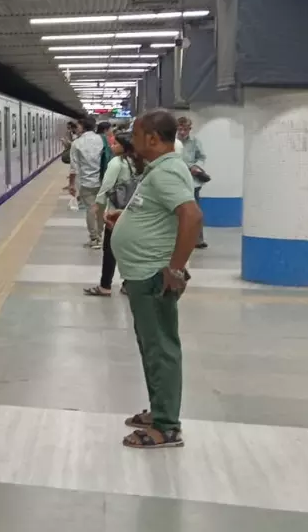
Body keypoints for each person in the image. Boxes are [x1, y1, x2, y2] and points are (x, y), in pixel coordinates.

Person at [107, 109, 202, 449]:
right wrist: (129, 219)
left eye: (135, 132)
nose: (130, 138)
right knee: (152, 345)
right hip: (143, 273)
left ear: (152, 138)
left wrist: (175, 268)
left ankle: (166, 427)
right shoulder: (163, 169)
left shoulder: (166, 172)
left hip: (152, 275)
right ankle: (159, 410)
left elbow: (191, 216)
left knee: (160, 348)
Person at [84, 131, 141, 297]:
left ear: (124, 147)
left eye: (115, 143)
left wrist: (97, 206)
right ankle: (128, 284)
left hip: (115, 212)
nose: (111, 145)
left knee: (109, 250)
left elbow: (107, 186)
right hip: (132, 211)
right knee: (130, 250)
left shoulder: (117, 162)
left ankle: (105, 286)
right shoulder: (138, 161)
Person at [70, 116, 105, 248]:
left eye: (78, 126)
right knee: (100, 209)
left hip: (86, 182)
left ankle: (94, 238)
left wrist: (71, 184)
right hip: (103, 181)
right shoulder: (101, 139)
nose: (77, 129)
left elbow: (74, 168)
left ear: (83, 127)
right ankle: (100, 236)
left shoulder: (77, 143)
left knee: (90, 209)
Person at [176, 117, 209, 249]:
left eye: (185, 129)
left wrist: (196, 166)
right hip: (177, 180)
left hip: (193, 182)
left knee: (195, 212)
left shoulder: (195, 142)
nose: (183, 132)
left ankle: (198, 239)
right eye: (180, 129)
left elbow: (202, 157)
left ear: (190, 129)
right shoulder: (172, 142)